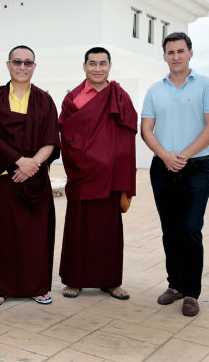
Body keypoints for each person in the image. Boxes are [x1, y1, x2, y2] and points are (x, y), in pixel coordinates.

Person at [141, 32, 209, 317]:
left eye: (180, 51)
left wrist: (184, 155)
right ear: (164, 56)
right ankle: (175, 284)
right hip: (162, 167)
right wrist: (166, 156)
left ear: (191, 53)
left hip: (196, 168)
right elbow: (146, 129)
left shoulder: (207, 86)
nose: (175, 56)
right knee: (170, 230)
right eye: (170, 52)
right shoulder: (155, 90)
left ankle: (192, 292)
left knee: (190, 228)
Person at [0, 45, 60, 306]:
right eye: (17, 62)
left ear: (34, 66)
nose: (22, 67)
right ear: (8, 65)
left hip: (35, 177)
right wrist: (19, 162)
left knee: (35, 237)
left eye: (28, 62)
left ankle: (36, 286)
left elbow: (51, 138)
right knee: (2, 235)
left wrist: (33, 164)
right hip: (5, 176)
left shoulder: (45, 100)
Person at [58, 47, 137, 300]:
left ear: (110, 66)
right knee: (78, 229)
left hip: (111, 177)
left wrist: (119, 169)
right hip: (84, 175)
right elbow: (67, 137)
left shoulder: (120, 96)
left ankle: (111, 281)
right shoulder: (73, 98)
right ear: (84, 66)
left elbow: (127, 136)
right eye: (92, 63)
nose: (97, 68)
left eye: (103, 63)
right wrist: (88, 162)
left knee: (109, 231)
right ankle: (74, 280)